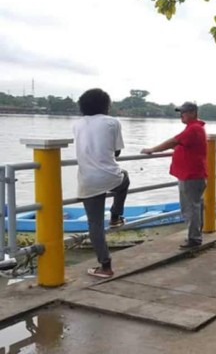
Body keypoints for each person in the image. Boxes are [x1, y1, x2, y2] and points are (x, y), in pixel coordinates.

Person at [74, 88, 130, 278]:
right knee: (125, 178)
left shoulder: (77, 124)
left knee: (95, 224)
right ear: (106, 105)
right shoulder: (112, 122)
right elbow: (116, 153)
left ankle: (105, 267)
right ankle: (115, 216)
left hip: (87, 180)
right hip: (111, 177)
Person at [140, 102, 207, 249]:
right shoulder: (194, 128)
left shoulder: (193, 128)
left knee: (190, 207)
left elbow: (173, 141)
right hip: (191, 174)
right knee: (193, 206)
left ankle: (194, 238)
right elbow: (178, 143)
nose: (181, 115)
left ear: (193, 113)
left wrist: (152, 150)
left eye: (184, 112)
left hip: (191, 175)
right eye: (180, 112)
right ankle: (195, 236)